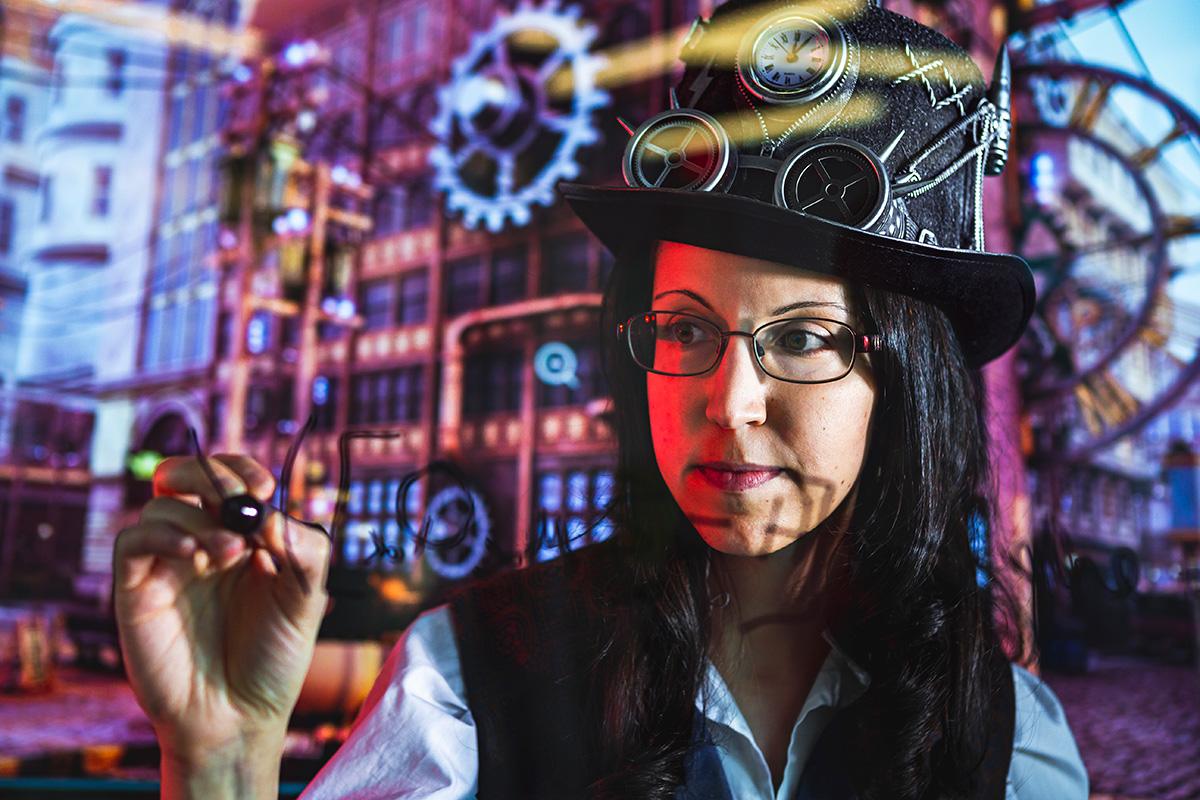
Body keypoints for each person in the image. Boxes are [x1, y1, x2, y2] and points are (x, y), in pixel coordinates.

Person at [113, 0, 1089, 798]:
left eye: (800, 338)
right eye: (686, 329)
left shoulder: (1006, 737)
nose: (730, 400)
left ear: (908, 382)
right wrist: (217, 758)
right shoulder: (470, 681)